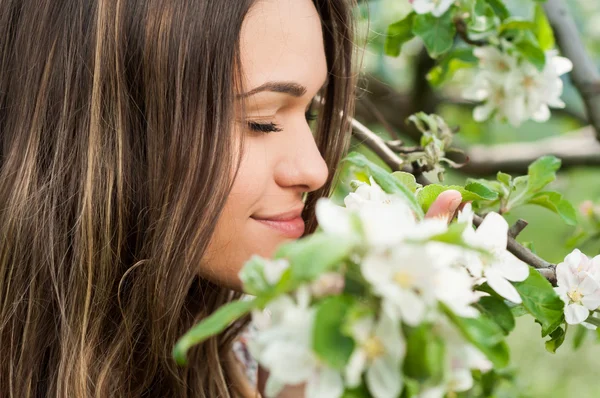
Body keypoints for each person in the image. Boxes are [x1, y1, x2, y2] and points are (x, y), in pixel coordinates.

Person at [0, 0, 461, 396]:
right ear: (106, 135)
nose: (315, 169)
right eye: (261, 121)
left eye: (313, 111)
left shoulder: (255, 340)